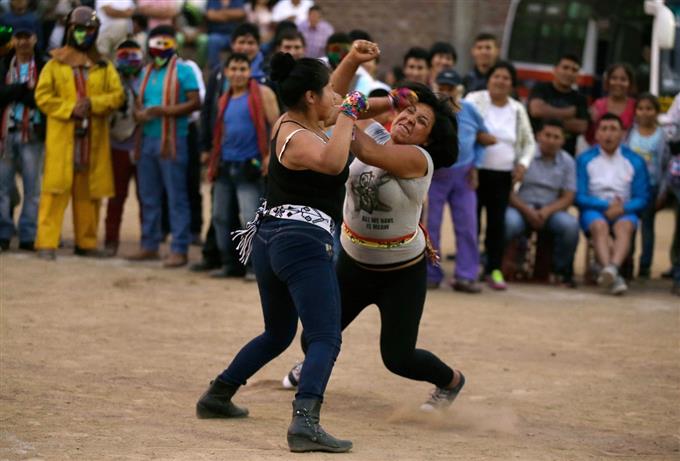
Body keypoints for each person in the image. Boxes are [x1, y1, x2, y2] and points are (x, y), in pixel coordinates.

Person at [284, 40, 465, 415]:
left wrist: (346, 110)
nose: (409, 120)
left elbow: (363, 146)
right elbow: (330, 106)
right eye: (408, 112)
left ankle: (451, 381)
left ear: (428, 139)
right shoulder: (378, 132)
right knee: (313, 337)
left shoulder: (418, 159)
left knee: (398, 358)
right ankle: (311, 365)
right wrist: (351, 60)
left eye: (421, 122)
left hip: (401, 273)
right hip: (353, 262)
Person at [195, 52, 360, 453]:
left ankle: (218, 394)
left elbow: (336, 101)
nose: (335, 95)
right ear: (310, 96)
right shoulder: (298, 136)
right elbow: (333, 160)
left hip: (274, 239)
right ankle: (305, 422)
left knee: (278, 333)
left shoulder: (297, 121)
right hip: (300, 242)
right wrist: (351, 111)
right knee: (325, 336)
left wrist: (376, 84)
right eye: (328, 90)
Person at [34, 6, 125, 261]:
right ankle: (46, 243)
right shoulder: (54, 64)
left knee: (89, 194)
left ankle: (86, 242)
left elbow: (117, 96)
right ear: (70, 30)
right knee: (54, 191)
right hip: (63, 138)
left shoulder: (104, 65)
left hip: (91, 141)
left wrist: (94, 103)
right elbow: (42, 96)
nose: (84, 34)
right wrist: (69, 108)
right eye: (79, 29)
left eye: (89, 30)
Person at [127, 25, 200, 267]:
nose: (160, 47)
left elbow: (195, 102)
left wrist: (164, 111)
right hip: (146, 138)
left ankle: (179, 248)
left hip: (173, 140)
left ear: (174, 44)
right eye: (156, 42)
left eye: (165, 42)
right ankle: (149, 244)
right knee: (148, 195)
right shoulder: (145, 71)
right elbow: (139, 102)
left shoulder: (184, 70)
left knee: (176, 196)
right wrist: (139, 114)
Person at [205, 52, 279, 278]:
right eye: (234, 69)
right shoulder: (223, 98)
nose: (238, 74)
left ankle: (255, 267)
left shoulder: (263, 93)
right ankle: (230, 264)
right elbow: (221, 132)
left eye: (242, 69)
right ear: (226, 72)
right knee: (220, 217)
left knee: (250, 218)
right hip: (225, 165)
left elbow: (276, 126)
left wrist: (269, 157)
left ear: (250, 72)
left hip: (250, 166)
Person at [465, 61, 535, 290]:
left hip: (503, 177)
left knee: (497, 225)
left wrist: (523, 164)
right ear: (489, 79)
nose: (500, 81)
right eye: (497, 76)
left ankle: (493, 269)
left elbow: (529, 143)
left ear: (512, 84)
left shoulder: (517, 109)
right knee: (471, 222)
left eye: (506, 78)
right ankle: (469, 268)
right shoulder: (474, 100)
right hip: (474, 173)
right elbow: (464, 129)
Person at [426, 69, 495, 293]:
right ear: (435, 87)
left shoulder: (470, 109)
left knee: (468, 226)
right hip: (436, 175)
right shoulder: (430, 109)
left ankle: (466, 275)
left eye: (451, 88)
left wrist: (477, 165)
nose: (446, 92)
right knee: (430, 226)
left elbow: (483, 138)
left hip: (464, 175)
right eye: (442, 87)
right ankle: (430, 273)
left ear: (459, 90)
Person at [576, 113, 649, 295]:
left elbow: (642, 197)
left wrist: (622, 208)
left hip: (624, 209)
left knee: (625, 227)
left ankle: (611, 269)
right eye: (604, 129)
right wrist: (605, 205)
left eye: (613, 129)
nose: (608, 134)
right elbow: (579, 196)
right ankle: (614, 275)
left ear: (622, 134)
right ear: (597, 134)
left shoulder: (635, 160)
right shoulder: (585, 159)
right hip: (594, 209)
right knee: (599, 226)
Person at [504, 120, 580, 286]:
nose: (551, 140)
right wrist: (527, 210)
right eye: (547, 135)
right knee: (509, 223)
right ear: (538, 136)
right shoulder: (523, 156)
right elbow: (507, 191)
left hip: (551, 212)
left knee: (570, 226)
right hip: (521, 208)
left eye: (556, 137)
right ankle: (497, 265)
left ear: (563, 140)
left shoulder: (568, 162)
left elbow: (568, 197)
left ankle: (560, 271)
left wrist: (546, 211)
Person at [0, 20, 46, 252]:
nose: (23, 42)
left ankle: (28, 235)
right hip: (6, 133)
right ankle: (3, 234)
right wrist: (23, 89)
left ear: (35, 39)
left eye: (27, 37)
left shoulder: (44, 65)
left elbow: (43, 99)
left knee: (32, 188)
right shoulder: (3, 64)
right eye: (18, 37)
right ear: (13, 40)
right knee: (2, 188)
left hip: (33, 133)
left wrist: (13, 93)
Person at [103, 39, 144, 257]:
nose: (129, 60)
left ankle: (148, 242)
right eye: (124, 56)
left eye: (133, 56)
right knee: (116, 196)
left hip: (142, 145)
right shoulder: (110, 78)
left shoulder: (148, 78)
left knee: (146, 197)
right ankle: (111, 240)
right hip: (117, 143)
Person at [625, 93, 668, 278]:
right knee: (630, 225)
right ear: (635, 111)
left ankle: (645, 266)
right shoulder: (630, 133)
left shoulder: (662, 136)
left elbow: (666, 165)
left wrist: (663, 191)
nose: (645, 112)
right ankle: (627, 262)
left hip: (652, 187)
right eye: (641, 108)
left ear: (656, 112)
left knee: (647, 227)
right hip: (632, 188)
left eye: (649, 109)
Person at [527, 53, 588, 156]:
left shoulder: (580, 98)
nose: (569, 73)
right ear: (555, 70)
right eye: (565, 68)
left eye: (574, 70)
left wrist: (547, 116)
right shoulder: (541, 88)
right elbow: (536, 111)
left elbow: (581, 126)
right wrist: (568, 113)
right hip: (534, 152)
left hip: (566, 155)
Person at [586, 63, 637, 145]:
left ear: (630, 83)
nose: (618, 83)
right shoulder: (598, 105)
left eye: (623, 79)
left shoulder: (635, 107)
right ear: (607, 81)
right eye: (614, 78)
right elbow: (590, 136)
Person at [205, 0, 246, 70]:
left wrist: (220, 13)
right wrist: (231, 15)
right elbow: (210, 15)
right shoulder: (212, 1)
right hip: (217, 34)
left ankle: (241, 68)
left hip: (235, 34)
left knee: (243, 41)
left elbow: (241, 13)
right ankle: (216, 70)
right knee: (213, 40)